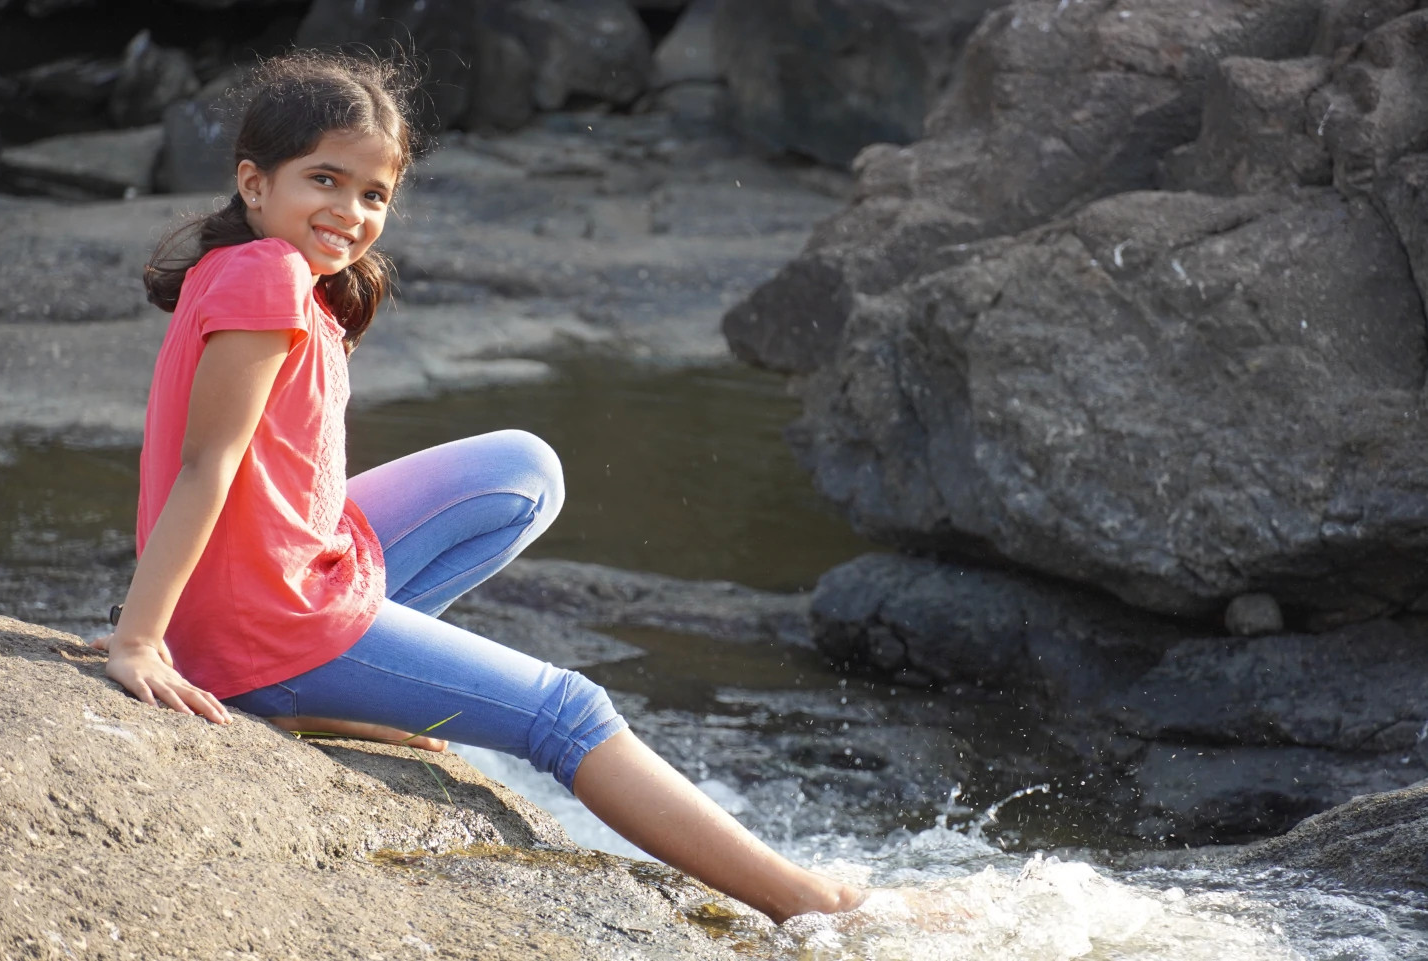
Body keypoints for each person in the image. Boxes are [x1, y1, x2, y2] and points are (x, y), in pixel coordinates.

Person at [91, 49, 863, 924]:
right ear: (254, 183)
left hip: (287, 569)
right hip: (265, 625)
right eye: (325, 180)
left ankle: (343, 696)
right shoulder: (266, 276)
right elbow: (207, 465)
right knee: (569, 711)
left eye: (374, 194)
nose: (350, 212)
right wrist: (138, 641)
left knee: (523, 470)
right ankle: (813, 901)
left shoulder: (271, 271)